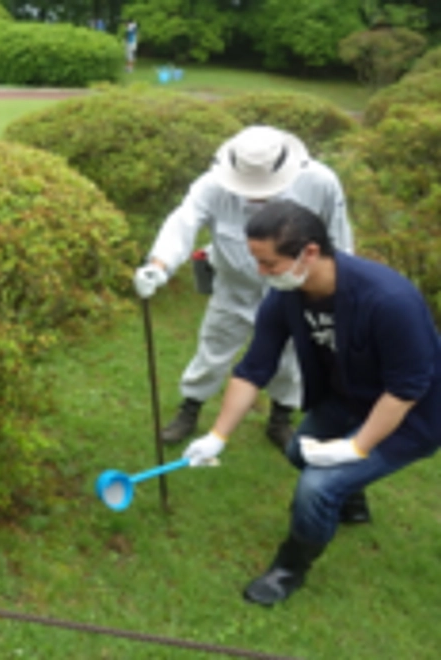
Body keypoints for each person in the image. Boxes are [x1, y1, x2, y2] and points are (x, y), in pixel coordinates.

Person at [181, 199, 441, 605]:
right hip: (346, 400)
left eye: (268, 264)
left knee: (316, 488)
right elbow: (254, 368)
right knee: (299, 453)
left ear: (311, 252)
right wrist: (218, 435)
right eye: (256, 261)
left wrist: (356, 447)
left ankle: (289, 568)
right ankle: (351, 498)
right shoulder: (287, 297)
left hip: (409, 416)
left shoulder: (389, 300)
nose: (260, 273)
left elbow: (407, 389)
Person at [133, 125, 354, 450]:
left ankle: (280, 418)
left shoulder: (320, 183)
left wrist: (338, 290)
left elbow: (338, 239)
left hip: (294, 290)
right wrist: (158, 265)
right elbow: (184, 221)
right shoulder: (212, 185)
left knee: (291, 358)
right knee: (213, 349)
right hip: (233, 289)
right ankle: (189, 410)